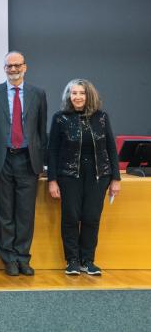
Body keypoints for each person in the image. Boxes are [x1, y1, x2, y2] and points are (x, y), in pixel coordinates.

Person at [0, 51, 47, 276]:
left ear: (25, 67)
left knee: (25, 214)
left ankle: (23, 258)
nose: (13, 69)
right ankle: (9, 259)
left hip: (28, 161)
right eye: (9, 66)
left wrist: (41, 163)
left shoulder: (38, 93)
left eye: (17, 65)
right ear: (4, 69)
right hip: (2, 160)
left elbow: (40, 132)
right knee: (4, 213)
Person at [47, 79, 121, 276]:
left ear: (89, 95)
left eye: (82, 93)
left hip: (99, 175)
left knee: (91, 217)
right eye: (74, 93)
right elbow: (52, 150)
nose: (78, 97)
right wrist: (52, 180)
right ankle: (72, 261)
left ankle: (87, 260)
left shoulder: (102, 117)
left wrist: (116, 178)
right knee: (70, 217)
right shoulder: (60, 118)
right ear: (68, 96)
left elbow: (111, 148)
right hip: (69, 175)